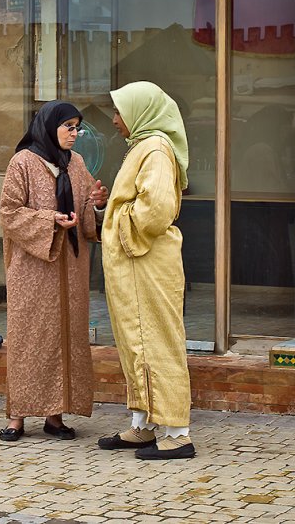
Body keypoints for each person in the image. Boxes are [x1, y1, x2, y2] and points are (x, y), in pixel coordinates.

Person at [94, 81, 195, 460]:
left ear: (140, 112)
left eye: (120, 112)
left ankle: (178, 433)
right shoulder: (142, 147)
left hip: (147, 261)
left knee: (158, 341)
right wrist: (110, 214)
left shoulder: (154, 148)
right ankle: (144, 424)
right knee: (136, 342)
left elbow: (156, 209)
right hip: (136, 263)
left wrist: (119, 225)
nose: (116, 121)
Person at [0, 101, 108, 442]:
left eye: (78, 127)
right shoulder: (23, 162)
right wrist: (50, 220)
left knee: (65, 336)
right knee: (29, 338)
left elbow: (87, 214)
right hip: (33, 269)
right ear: (49, 127)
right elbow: (9, 212)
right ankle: (17, 417)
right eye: (68, 127)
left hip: (70, 268)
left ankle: (54, 416)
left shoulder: (76, 164)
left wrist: (97, 203)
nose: (74, 134)